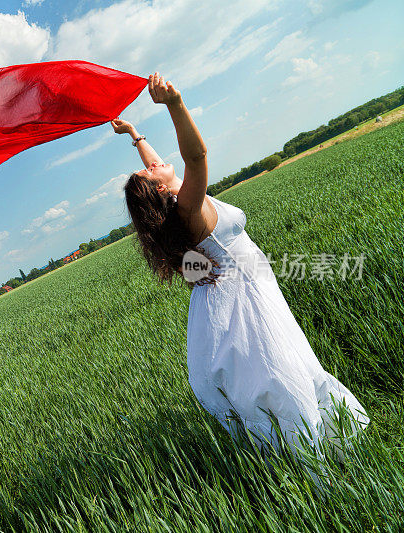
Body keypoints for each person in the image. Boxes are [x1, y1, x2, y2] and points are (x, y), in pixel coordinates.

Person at [112, 72, 370, 478]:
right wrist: (175, 104)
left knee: (276, 371)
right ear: (160, 193)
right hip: (247, 292)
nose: (156, 164)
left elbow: (158, 166)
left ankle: (297, 451)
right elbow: (195, 157)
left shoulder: (173, 208)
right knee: (281, 370)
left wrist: (134, 133)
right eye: (152, 172)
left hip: (235, 289)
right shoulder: (188, 209)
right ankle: (316, 459)